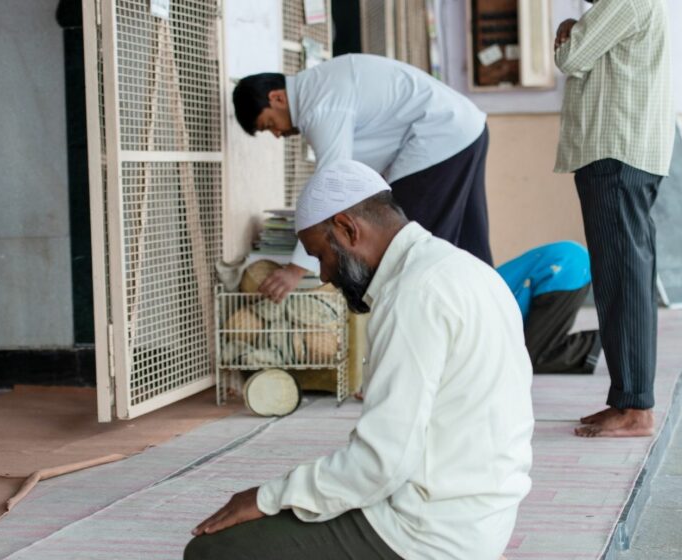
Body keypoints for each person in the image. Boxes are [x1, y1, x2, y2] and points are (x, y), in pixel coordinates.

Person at [185, 160, 534, 560]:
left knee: (216, 551)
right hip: (485, 519)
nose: (326, 276)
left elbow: (380, 465)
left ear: (348, 228)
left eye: (320, 255)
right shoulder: (468, 270)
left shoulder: (413, 294)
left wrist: (267, 497)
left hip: (427, 533)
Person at [232, 54, 493, 303]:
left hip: (440, 138)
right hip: (467, 129)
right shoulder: (322, 83)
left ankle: (439, 319)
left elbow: (331, 185)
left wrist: (296, 270)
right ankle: (492, 305)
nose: (277, 134)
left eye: (269, 125)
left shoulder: (319, 103)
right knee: (471, 244)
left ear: (276, 98)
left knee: (411, 249)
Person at [553, 0, 674, 438]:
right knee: (625, 280)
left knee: (623, 281)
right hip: (622, 154)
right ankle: (628, 400)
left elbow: (571, 56)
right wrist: (578, 26)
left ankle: (635, 408)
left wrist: (571, 28)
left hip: (616, 154)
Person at [497, 241, 602, 373]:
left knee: (530, 357)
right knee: (527, 353)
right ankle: (606, 339)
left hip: (562, 269)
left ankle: (605, 338)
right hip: (565, 263)